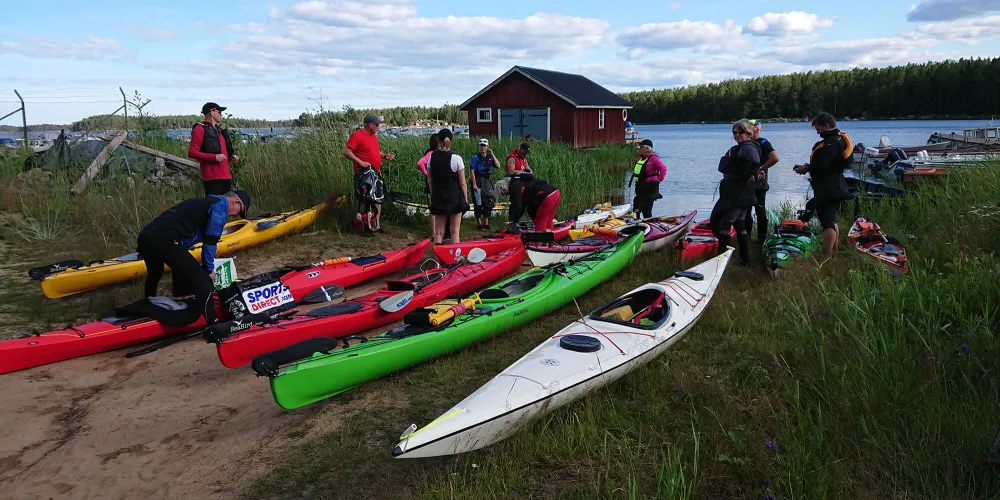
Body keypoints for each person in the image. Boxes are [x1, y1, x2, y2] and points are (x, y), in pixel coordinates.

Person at [136, 190, 251, 325]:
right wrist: (209, 270)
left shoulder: (205, 202)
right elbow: (209, 244)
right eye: (240, 211)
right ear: (235, 202)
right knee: (203, 280)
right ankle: (214, 326)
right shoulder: (220, 207)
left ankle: (148, 306)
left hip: (146, 237)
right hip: (164, 240)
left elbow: (185, 243)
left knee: (156, 273)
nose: (236, 216)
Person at [794, 113, 854, 261]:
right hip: (836, 185)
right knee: (832, 219)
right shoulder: (839, 139)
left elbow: (822, 166)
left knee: (827, 222)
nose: (817, 133)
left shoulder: (831, 142)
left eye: (818, 129)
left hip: (828, 188)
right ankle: (834, 253)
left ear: (827, 126)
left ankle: (826, 256)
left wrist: (806, 168)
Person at [711, 119, 761, 266]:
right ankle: (744, 260)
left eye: (741, 131)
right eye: (734, 132)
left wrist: (746, 174)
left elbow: (755, 161)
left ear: (749, 133)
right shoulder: (741, 147)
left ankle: (721, 260)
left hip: (738, 194)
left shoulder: (748, 147)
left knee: (724, 224)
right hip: (738, 192)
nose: (737, 134)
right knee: (740, 225)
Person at [344, 114, 395, 232]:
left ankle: (376, 225)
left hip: (376, 174)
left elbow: (374, 151)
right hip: (364, 174)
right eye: (377, 125)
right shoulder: (357, 135)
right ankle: (364, 226)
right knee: (365, 200)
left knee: (378, 199)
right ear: (370, 124)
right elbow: (347, 151)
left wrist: (384, 156)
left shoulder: (373, 136)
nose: (378, 127)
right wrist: (360, 162)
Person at [427, 129, 469, 244]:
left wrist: (433, 193)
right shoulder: (456, 158)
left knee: (439, 232)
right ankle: (454, 260)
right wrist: (465, 199)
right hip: (454, 198)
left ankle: (437, 261)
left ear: (438, 140)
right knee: (454, 231)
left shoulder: (432, 157)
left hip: (438, 196)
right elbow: (462, 183)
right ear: (451, 140)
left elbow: (430, 179)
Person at [188, 102, 240, 196]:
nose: (221, 114)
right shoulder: (200, 129)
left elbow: (222, 152)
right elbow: (192, 152)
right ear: (212, 112)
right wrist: (214, 157)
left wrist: (231, 157)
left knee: (227, 207)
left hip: (226, 176)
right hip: (212, 177)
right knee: (215, 206)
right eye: (219, 112)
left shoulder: (220, 131)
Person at [744, 119, 780, 243]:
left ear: (756, 128)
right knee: (746, 212)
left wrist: (762, 168)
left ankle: (761, 240)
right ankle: (746, 239)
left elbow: (775, 158)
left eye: (750, 127)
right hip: (747, 183)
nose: (747, 129)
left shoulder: (763, 142)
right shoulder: (745, 143)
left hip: (759, 183)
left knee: (760, 210)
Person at [496, 176, 560, 232]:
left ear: (503, 187)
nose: (505, 195)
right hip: (555, 193)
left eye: (503, 193)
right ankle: (549, 241)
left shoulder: (515, 187)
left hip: (548, 196)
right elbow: (527, 206)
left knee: (540, 224)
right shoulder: (521, 183)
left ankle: (539, 244)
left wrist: (513, 222)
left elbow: (518, 205)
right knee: (547, 223)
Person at [630, 139, 667, 219]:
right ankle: (636, 225)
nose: (639, 148)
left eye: (641, 147)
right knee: (636, 209)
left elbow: (663, 169)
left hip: (650, 188)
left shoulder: (653, 159)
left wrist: (659, 180)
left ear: (647, 149)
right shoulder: (640, 159)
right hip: (640, 188)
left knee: (646, 210)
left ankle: (650, 226)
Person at [470, 138, 501, 230]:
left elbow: (498, 165)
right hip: (478, 179)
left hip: (487, 181)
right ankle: (479, 224)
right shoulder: (475, 157)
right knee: (478, 202)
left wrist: (492, 154)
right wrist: (474, 183)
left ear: (487, 147)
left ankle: (486, 223)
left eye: (484, 145)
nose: (483, 147)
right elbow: (472, 171)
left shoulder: (490, 157)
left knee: (488, 200)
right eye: (481, 145)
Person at [417, 134, 440, 236]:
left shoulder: (435, 153)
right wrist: (427, 174)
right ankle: (434, 232)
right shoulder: (431, 153)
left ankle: (438, 231)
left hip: (436, 182)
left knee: (437, 207)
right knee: (434, 208)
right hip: (433, 183)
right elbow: (420, 163)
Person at [505, 142, 533, 225]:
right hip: (513, 181)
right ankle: (512, 221)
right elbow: (511, 171)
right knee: (516, 203)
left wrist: (529, 172)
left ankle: (516, 220)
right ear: (520, 149)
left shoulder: (524, 158)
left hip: (522, 182)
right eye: (524, 153)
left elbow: (528, 169)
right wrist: (522, 172)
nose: (525, 155)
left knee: (523, 203)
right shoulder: (512, 158)